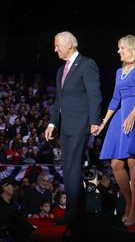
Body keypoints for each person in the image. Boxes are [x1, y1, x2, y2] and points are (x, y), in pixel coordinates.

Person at [44, 31, 103, 225]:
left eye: (57, 45)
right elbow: (59, 100)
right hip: (66, 127)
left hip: (80, 124)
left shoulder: (87, 64)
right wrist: (52, 123)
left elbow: (95, 94)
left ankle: (73, 214)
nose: (55, 49)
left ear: (69, 44)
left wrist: (95, 120)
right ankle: (75, 213)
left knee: (73, 168)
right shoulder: (61, 70)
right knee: (68, 168)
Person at [98, 35, 135, 226]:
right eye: (118, 47)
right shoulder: (118, 71)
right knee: (115, 164)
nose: (118, 51)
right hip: (121, 118)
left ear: (133, 49)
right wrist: (104, 122)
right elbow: (115, 99)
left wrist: (133, 115)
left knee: (133, 162)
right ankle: (131, 204)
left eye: (122, 48)